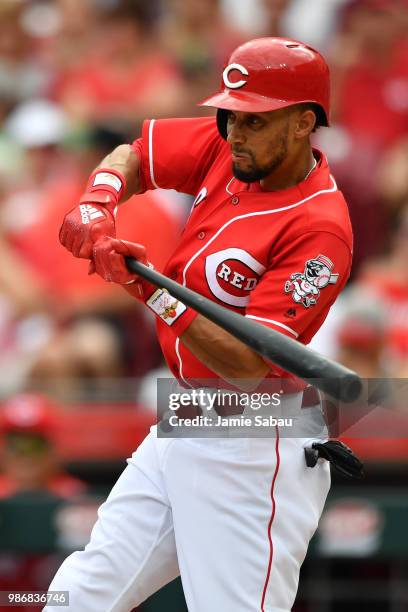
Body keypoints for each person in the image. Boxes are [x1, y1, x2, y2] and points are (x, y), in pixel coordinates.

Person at [46, 38, 356, 611]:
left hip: (259, 434)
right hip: (187, 412)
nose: (235, 131)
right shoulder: (231, 149)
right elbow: (137, 153)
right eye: (230, 114)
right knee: (77, 598)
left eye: (255, 120)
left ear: (302, 124)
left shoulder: (321, 229)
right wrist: (99, 199)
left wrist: (143, 286)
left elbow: (246, 366)